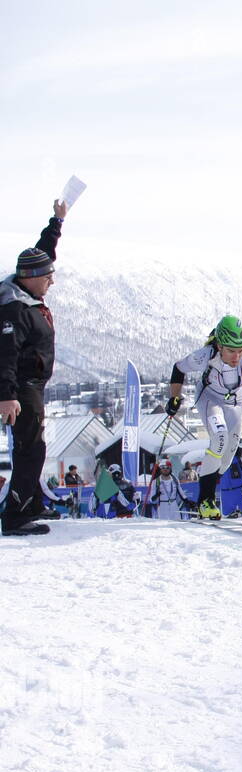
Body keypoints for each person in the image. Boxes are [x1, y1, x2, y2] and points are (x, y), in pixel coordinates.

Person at [166, 315, 242, 520]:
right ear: (220, 346)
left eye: (240, 351)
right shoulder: (206, 354)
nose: (237, 356)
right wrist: (174, 398)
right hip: (209, 397)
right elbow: (178, 369)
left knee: (230, 451)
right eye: (231, 351)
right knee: (219, 438)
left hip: (236, 398)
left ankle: (210, 488)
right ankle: (205, 500)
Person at [0, 199, 68, 536]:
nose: (51, 282)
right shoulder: (14, 309)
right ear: (31, 278)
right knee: (31, 448)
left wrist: (56, 223)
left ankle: (32, 501)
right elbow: (5, 355)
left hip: (33, 385)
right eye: (48, 277)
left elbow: (41, 254)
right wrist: (7, 396)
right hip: (21, 388)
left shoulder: (26, 290)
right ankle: (15, 515)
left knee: (36, 446)